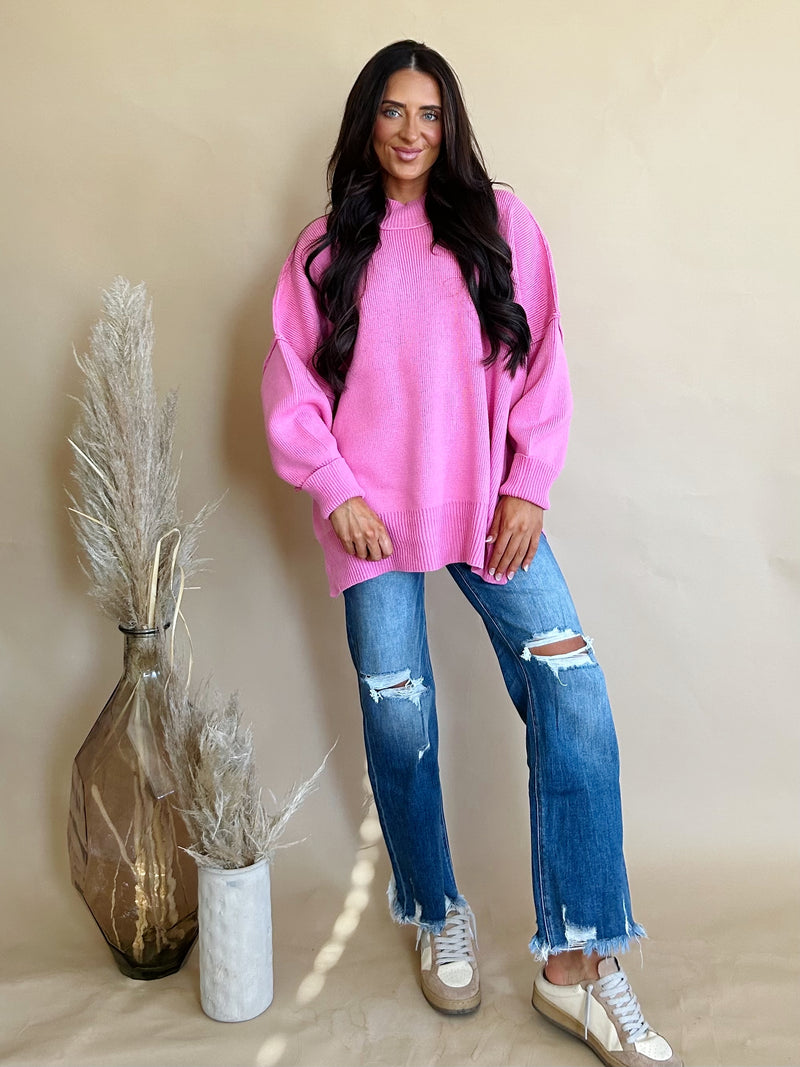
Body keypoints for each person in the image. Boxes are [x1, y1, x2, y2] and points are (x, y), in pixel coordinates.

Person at [261, 39, 681, 1067]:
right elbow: (290, 386)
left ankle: (576, 961)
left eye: (430, 113)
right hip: (371, 520)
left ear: (449, 125)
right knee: (398, 716)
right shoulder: (325, 250)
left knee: (572, 690)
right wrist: (336, 489)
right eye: (393, 111)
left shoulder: (500, 224)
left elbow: (543, 358)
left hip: (488, 509)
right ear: (367, 122)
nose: (411, 132)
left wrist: (528, 482)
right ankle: (434, 907)